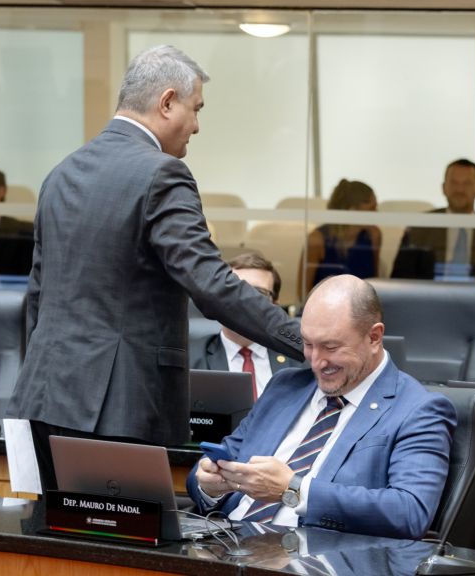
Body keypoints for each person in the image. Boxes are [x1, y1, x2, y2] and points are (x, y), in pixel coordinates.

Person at [7, 45, 305, 492]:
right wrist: (306, 341)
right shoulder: (162, 174)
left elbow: (38, 296)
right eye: (196, 108)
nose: (197, 126)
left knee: (60, 531)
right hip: (118, 408)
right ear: (167, 102)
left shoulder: (61, 173)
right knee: (125, 538)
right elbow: (212, 284)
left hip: (43, 399)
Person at [187, 275, 456, 540]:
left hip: (315, 557)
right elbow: (219, 461)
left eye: (330, 347)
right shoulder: (284, 386)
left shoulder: (418, 409)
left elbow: (410, 514)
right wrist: (210, 487)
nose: (316, 361)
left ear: (374, 337)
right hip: (226, 543)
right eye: (308, 344)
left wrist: (294, 490)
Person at [391, 159, 475, 307]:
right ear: (443, 188)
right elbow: (400, 279)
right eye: (454, 183)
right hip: (427, 307)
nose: (459, 190)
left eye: (467, 183)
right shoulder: (421, 227)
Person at [189, 252, 306, 396]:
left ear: (275, 306)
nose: (245, 304)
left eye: (258, 294)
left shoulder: (303, 361)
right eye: (235, 292)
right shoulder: (188, 359)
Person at [299, 179, 380, 300]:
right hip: (323, 306)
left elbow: (376, 284)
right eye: (372, 208)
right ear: (353, 211)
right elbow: (303, 292)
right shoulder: (317, 240)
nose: (377, 213)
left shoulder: (373, 235)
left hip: (361, 307)